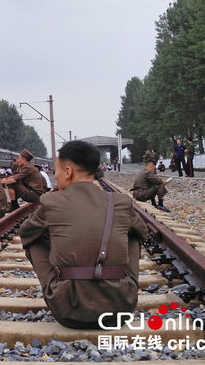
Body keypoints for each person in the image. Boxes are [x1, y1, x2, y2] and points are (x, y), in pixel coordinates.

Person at [20, 140, 148, 329]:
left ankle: (59, 285)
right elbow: (143, 232)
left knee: (33, 238)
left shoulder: (51, 202)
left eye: (56, 170)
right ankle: (124, 285)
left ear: (68, 171)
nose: (55, 176)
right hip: (121, 308)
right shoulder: (120, 201)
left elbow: (25, 233)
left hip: (68, 310)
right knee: (134, 233)